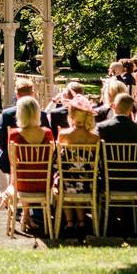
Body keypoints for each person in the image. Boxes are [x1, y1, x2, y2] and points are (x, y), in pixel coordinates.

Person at [3, 96, 54, 232]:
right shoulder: (48, 133)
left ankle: (24, 215)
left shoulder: (14, 134)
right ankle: (26, 216)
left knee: (20, 173)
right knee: (31, 171)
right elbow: (52, 156)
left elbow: (12, 162)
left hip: (22, 184)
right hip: (43, 182)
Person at [0, 78, 51, 192]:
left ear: (17, 95)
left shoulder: (7, 114)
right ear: (33, 94)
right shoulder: (42, 115)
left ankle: (4, 190)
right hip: (40, 164)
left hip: (12, 162)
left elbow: (0, 143)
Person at [56, 95, 101, 232]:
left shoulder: (64, 135)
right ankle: (81, 221)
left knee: (63, 180)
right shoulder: (94, 138)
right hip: (88, 182)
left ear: (71, 115)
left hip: (67, 181)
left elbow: (56, 159)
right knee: (78, 180)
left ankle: (69, 221)